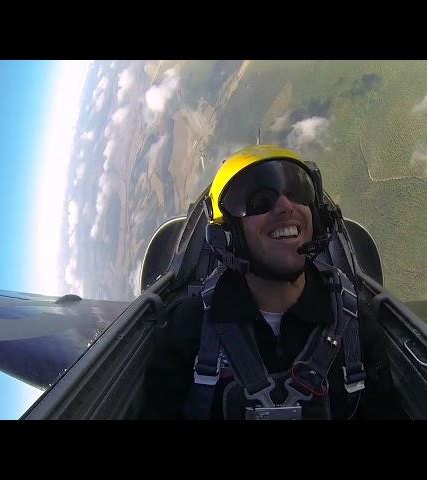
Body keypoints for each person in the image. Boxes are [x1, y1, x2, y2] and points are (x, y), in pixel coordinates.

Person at [142, 145, 405, 420]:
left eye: (298, 191)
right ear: (226, 234)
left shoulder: (356, 327)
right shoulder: (188, 329)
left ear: (317, 216)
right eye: (258, 200)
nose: (285, 206)